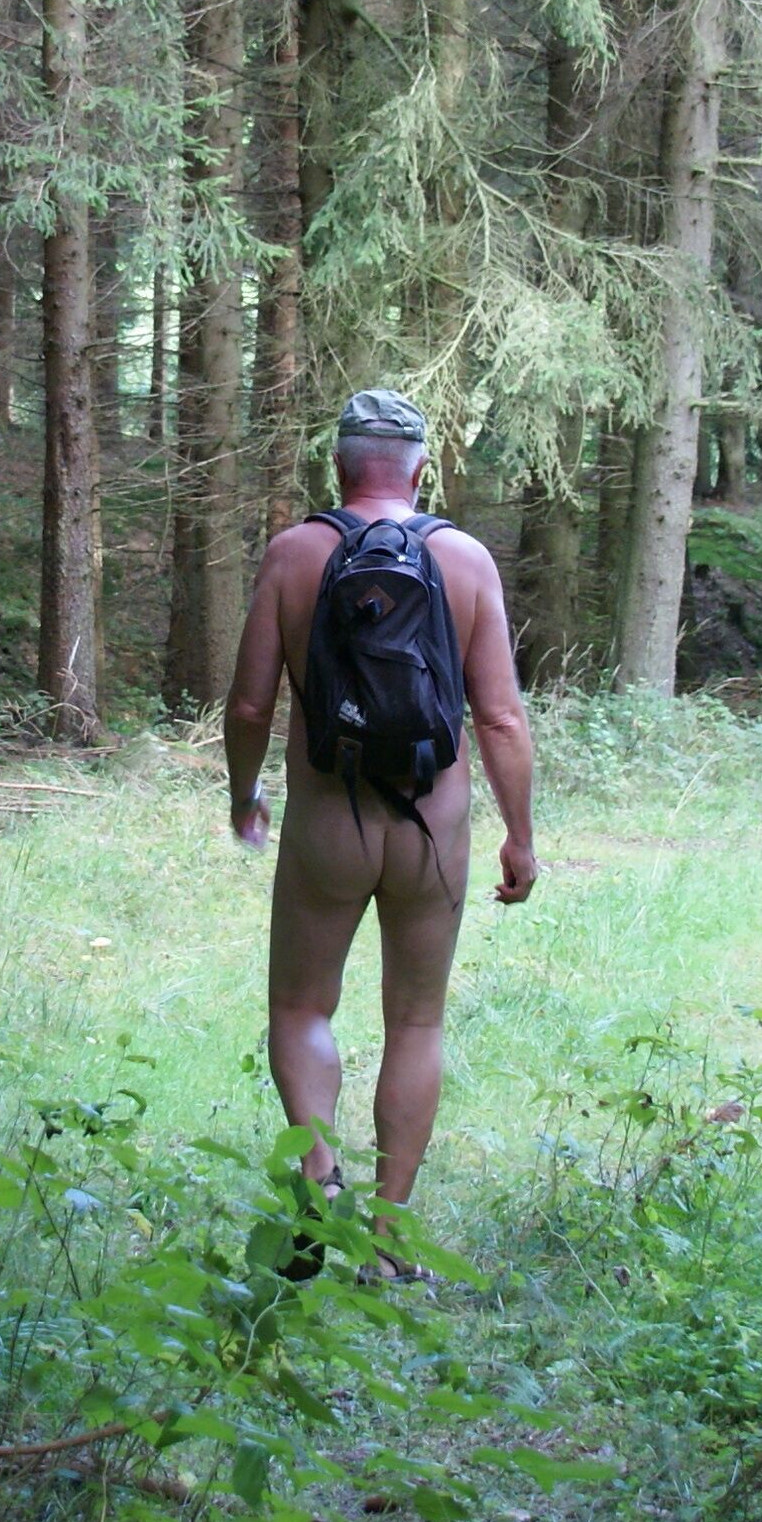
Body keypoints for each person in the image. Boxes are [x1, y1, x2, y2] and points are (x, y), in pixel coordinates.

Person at [223, 390, 537, 1244]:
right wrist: (521, 835)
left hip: (329, 821)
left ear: (338, 466)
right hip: (434, 827)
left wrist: (244, 796)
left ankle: (322, 1190)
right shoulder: (466, 559)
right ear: (420, 470)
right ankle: (390, 1239)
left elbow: (251, 707)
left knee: (300, 1008)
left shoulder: (294, 554)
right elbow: (502, 718)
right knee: (417, 1020)